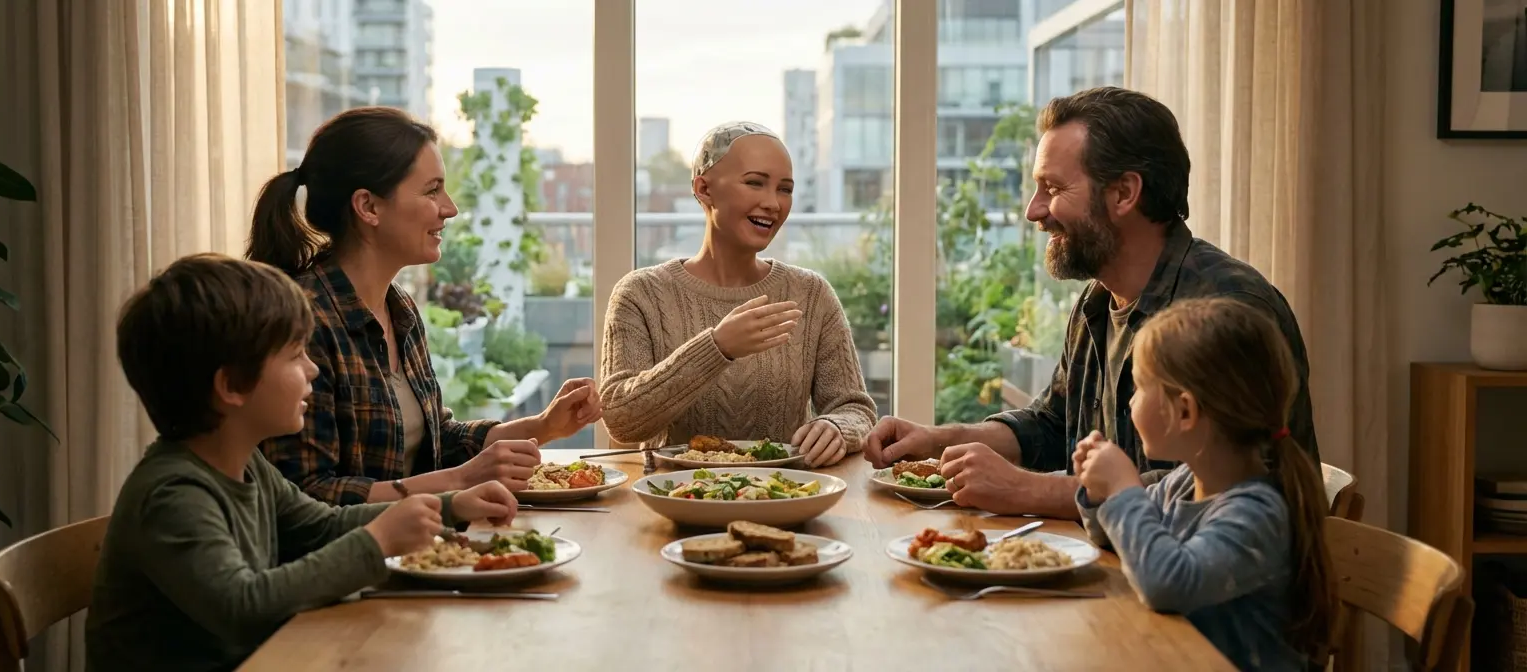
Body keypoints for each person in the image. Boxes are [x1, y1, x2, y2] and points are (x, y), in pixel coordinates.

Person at [862, 87, 1318, 518]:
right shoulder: (1097, 302)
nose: (1033, 211)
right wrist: (939, 441)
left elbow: (1215, 501)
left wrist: (1025, 490)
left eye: (1053, 189)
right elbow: (1052, 425)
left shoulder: (1229, 311)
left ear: (1124, 193)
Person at [87, 254, 521, 671]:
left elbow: (322, 526)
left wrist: (450, 506)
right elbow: (244, 606)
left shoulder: (247, 466)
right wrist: (378, 542)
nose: (313, 369)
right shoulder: (174, 495)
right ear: (232, 386)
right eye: (296, 355)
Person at [248, 107, 603, 505]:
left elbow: (436, 441)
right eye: (432, 190)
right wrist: (461, 480)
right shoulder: (303, 323)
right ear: (368, 207)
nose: (449, 208)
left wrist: (543, 425)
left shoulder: (399, 309)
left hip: (417, 549)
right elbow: (308, 498)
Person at [1074, 297, 1333, 671]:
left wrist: (1123, 489)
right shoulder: (1183, 483)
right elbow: (1121, 542)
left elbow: (1167, 584)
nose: (1131, 403)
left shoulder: (1258, 514)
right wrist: (1098, 495)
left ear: (1184, 411)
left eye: (1140, 387)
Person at [599, 121, 876, 467]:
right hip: (672, 500)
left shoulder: (812, 294)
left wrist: (837, 426)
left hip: (787, 499)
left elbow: (854, 406)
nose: (773, 203)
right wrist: (717, 348)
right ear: (703, 189)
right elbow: (621, 419)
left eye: (785, 189)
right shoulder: (641, 294)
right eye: (755, 183)